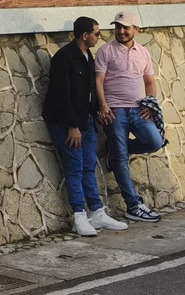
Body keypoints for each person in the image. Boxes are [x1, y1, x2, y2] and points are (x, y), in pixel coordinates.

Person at [43, 17, 128, 237]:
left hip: (86, 121)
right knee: (75, 167)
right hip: (67, 124)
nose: (99, 37)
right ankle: (79, 216)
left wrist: (98, 111)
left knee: (88, 166)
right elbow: (62, 95)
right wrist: (72, 126)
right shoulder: (64, 58)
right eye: (97, 34)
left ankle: (97, 212)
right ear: (85, 35)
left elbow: (88, 91)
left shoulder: (88, 57)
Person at [93, 10, 164, 223]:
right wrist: (103, 106)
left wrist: (150, 105)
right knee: (121, 160)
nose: (121, 31)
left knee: (155, 142)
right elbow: (98, 81)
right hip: (115, 111)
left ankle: (115, 153)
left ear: (136, 30)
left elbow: (150, 82)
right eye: (118, 27)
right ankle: (133, 205)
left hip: (137, 109)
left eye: (125, 27)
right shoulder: (105, 51)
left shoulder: (143, 52)